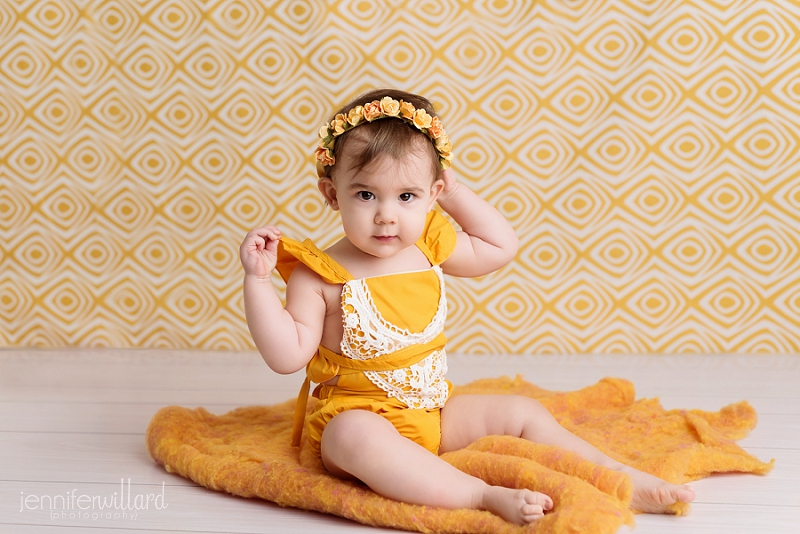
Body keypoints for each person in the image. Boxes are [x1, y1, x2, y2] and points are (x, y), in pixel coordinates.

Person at [239, 89, 695, 525]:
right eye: (365, 195)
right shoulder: (319, 274)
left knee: (522, 412)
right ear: (331, 194)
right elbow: (287, 357)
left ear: (432, 194)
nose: (386, 215)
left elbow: (500, 246)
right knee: (353, 437)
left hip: (433, 412)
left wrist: (455, 195)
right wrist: (258, 280)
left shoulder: (431, 243)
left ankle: (617, 475)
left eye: (407, 196)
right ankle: (479, 495)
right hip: (356, 419)